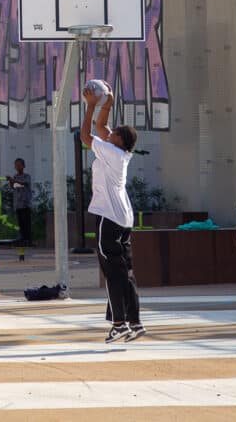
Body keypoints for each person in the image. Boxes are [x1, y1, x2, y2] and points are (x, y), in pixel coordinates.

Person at [81, 78, 145, 343]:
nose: (109, 131)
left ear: (119, 140)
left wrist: (90, 105)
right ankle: (135, 322)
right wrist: (107, 102)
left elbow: (86, 134)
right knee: (126, 272)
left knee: (113, 273)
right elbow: (100, 125)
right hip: (124, 218)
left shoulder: (112, 153)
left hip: (109, 218)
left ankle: (119, 324)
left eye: (114, 131)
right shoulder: (118, 151)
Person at [8, 158, 33, 246]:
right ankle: (22, 238)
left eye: (19, 165)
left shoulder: (27, 176)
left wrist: (14, 180)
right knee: (21, 223)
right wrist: (11, 181)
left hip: (25, 204)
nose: (18, 167)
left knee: (27, 222)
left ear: (24, 166)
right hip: (18, 204)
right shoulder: (15, 177)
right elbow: (14, 186)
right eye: (16, 165)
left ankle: (28, 239)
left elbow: (24, 183)